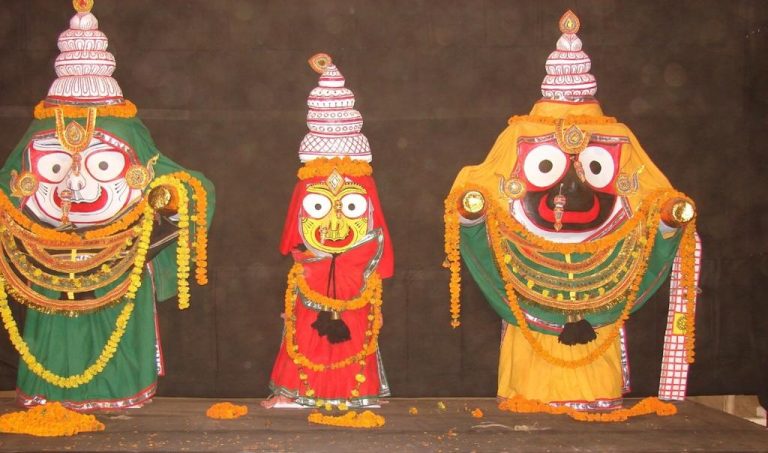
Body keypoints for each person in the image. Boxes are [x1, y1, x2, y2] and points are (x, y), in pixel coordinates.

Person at [444, 11, 700, 415]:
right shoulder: (518, 136)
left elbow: (653, 193)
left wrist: (670, 214)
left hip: (601, 263)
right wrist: (471, 207)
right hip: (531, 263)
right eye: (551, 164)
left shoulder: (618, 138)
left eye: (591, 166)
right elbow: (482, 185)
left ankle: (595, 397)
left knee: (598, 351)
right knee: (531, 365)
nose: (569, 186)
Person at [0, 0, 214, 411]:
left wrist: (167, 199)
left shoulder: (123, 127)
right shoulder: (42, 127)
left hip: (117, 254)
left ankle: (117, 390)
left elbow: (184, 184)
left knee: (116, 319)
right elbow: (10, 187)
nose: (75, 182)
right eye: (59, 163)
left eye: (99, 163)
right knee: (55, 324)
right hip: (51, 256)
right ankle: (52, 393)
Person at [263, 54, 393, 410]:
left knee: (354, 327)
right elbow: (295, 225)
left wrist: (376, 263)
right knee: (305, 326)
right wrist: (299, 246)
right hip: (314, 264)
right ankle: (297, 392)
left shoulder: (361, 180)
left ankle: (351, 393)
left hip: (354, 265)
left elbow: (375, 223)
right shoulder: (309, 180)